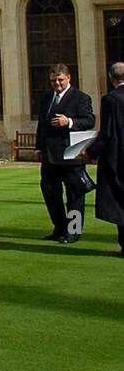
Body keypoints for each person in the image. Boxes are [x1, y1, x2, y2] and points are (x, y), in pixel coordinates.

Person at [35, 63, 95, 244]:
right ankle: (59, 227)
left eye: (60, 80)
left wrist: (68, 122)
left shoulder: (81, 98)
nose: (57, 83)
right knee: (50, 193)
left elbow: (89, 121)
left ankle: (74, 231)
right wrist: (38, 147)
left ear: (68, 78)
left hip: (71, 154)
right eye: (53, 80)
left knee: (75, 196)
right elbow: (41, 125)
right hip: (49, 156)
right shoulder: (46, 98)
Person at [87, 62, 124, 257]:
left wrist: (90, 152)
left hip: (118, 158)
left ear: (111, 78)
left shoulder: (111, 99)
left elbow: (107, 133)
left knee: (119, 201)